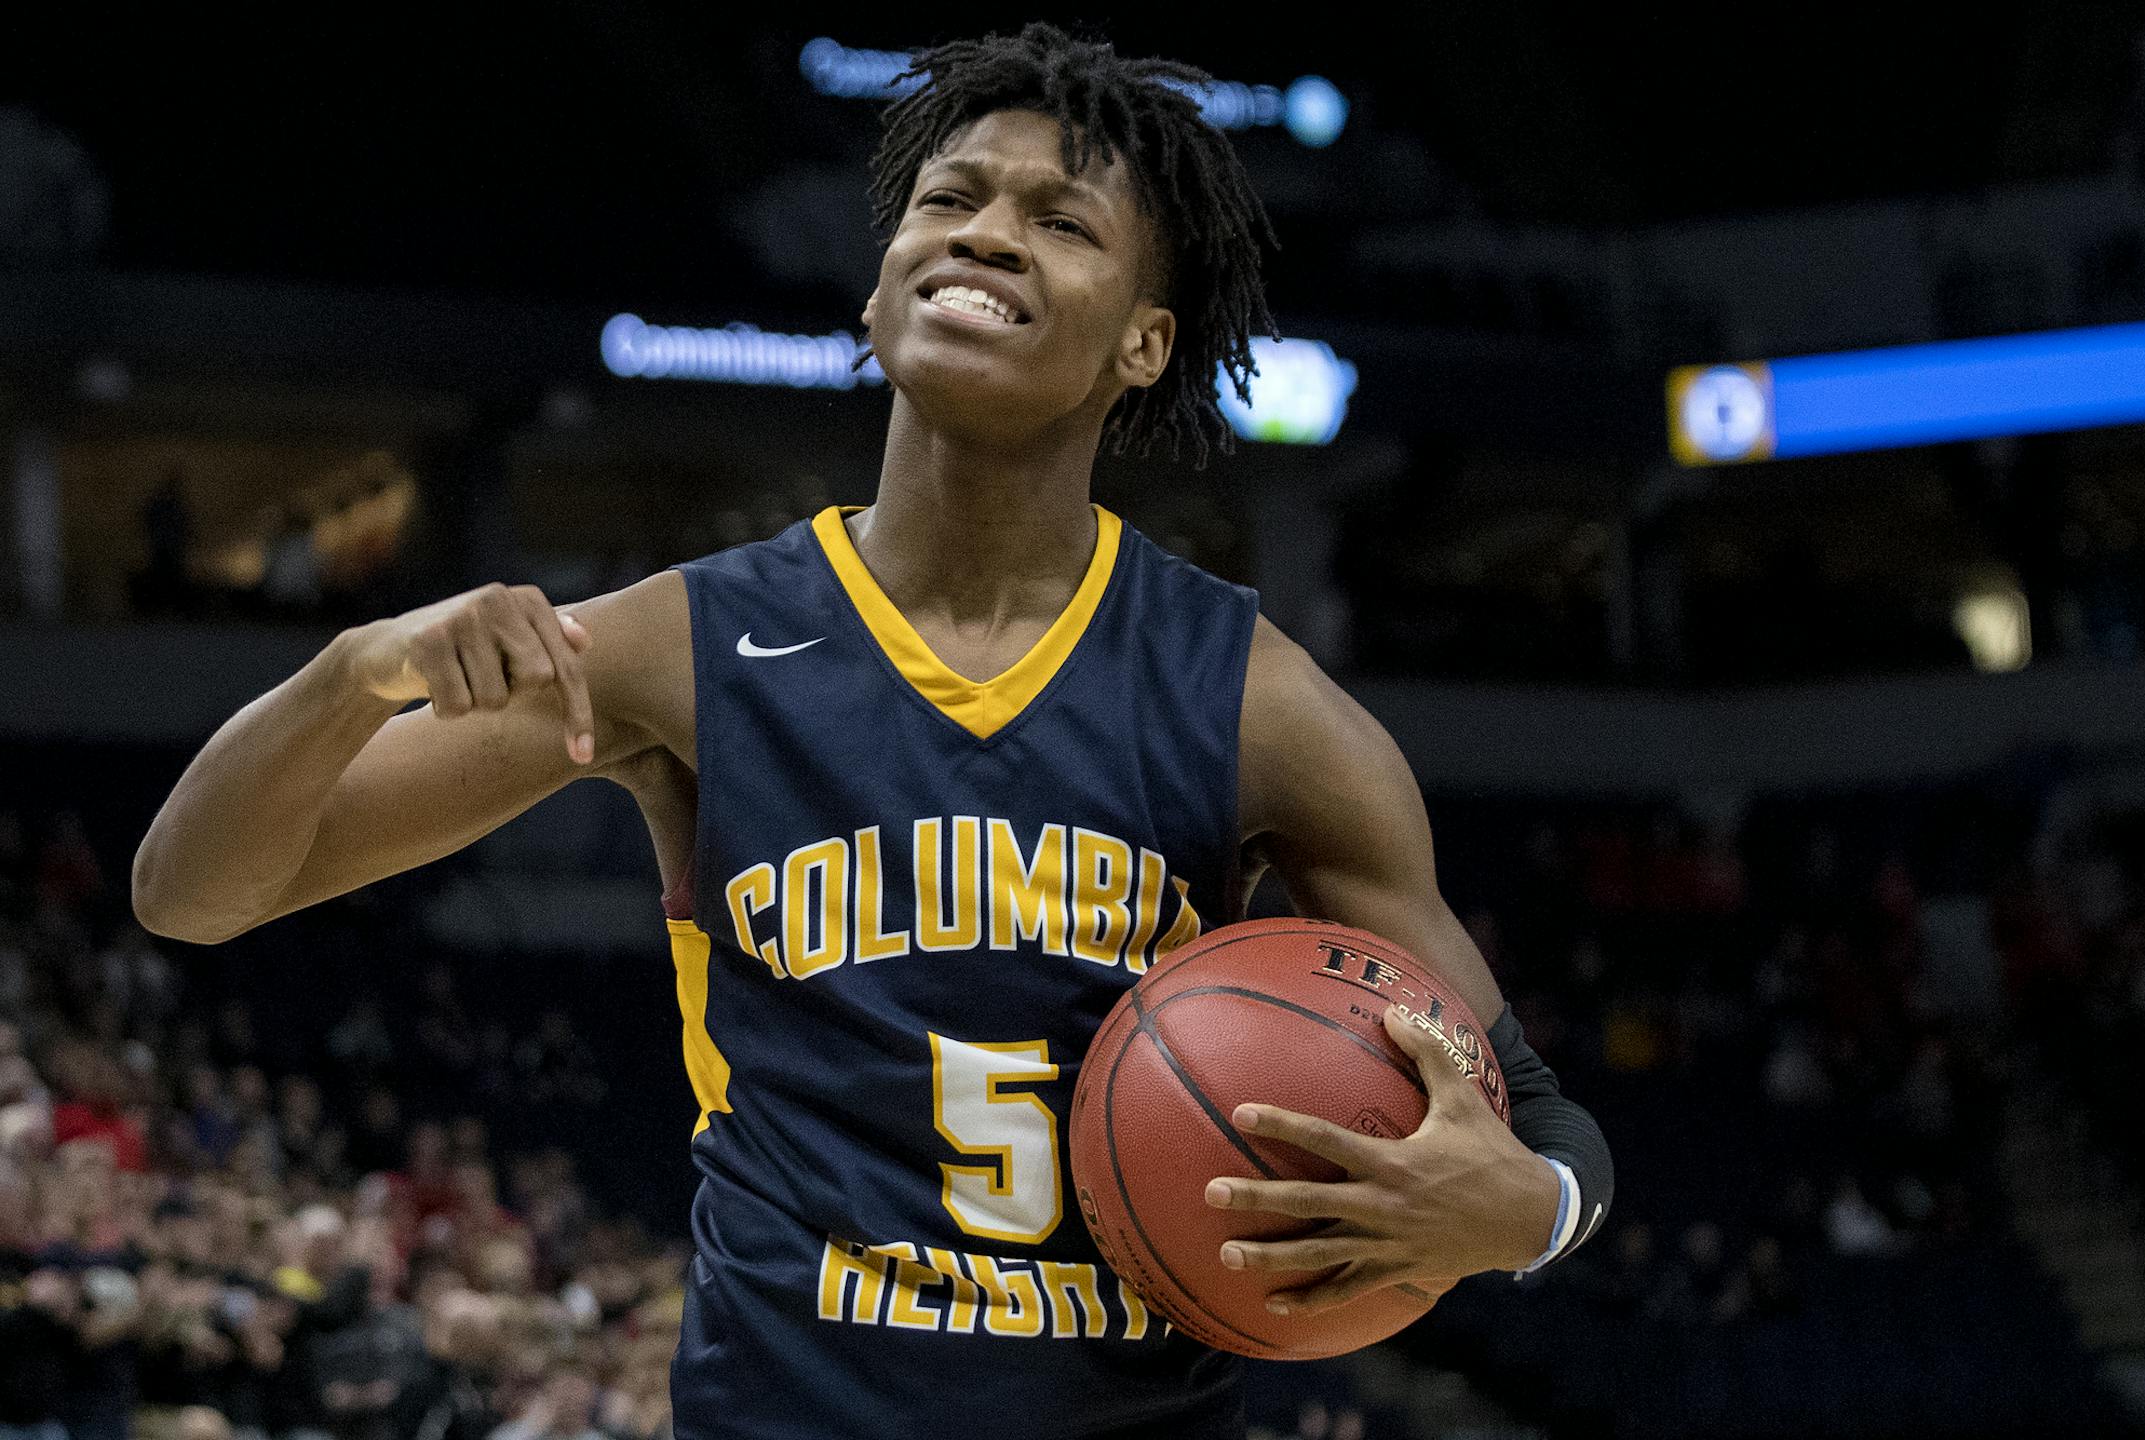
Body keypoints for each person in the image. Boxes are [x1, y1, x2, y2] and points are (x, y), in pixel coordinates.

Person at [132, 24, 1612, 1439]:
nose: (984, 233)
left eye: (1062, 222)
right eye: (949, 198)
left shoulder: (1253, 697)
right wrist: (345, 676)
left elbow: (1535, 1123)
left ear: (1147, 342)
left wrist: (1525, 1215)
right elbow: (195, 894)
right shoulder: (680, 646)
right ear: (879, 282)